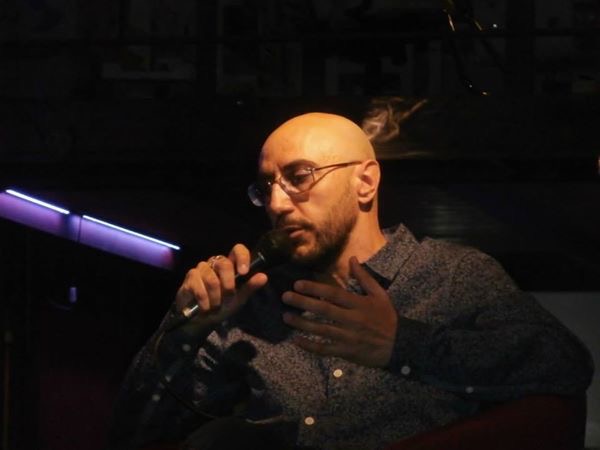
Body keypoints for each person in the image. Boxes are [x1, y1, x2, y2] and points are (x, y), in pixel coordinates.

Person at [109, 112, 593, 450]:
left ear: (365, 182)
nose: (277, 204)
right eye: (267, 186)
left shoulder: (451, 275)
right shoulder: (254, 301)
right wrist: (183, 331)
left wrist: (403, 346)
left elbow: (565, 368)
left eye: (299, 176)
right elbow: (136, 433)